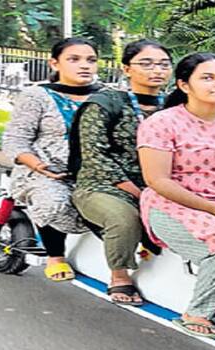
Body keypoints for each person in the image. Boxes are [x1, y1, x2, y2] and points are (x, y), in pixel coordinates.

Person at [137, 52, 215, 338]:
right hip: (174, 204)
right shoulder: (161, 123)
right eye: (208, 77)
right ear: (184, 85)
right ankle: (198, 313)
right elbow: (157, 180)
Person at [71, 39, 173, 305]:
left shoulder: (174, 107)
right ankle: (119, 275)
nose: (157, 70)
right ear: (127, 69)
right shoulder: (105, 103)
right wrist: (139, 192)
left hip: (160, 186)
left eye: (164, 64)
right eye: (146, 63)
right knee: (124, 218)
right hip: (102, 186)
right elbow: (95, 156)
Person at [2, 38, 102, 282]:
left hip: (96, 172)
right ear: (55, 63)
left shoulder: (108, 96)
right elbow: (15, 139)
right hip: (43, 172)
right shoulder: (36, 96)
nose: (84, 66)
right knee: (53, 200)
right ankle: (55, 255)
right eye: (74, 59)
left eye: (91, 60)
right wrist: (40, 166)